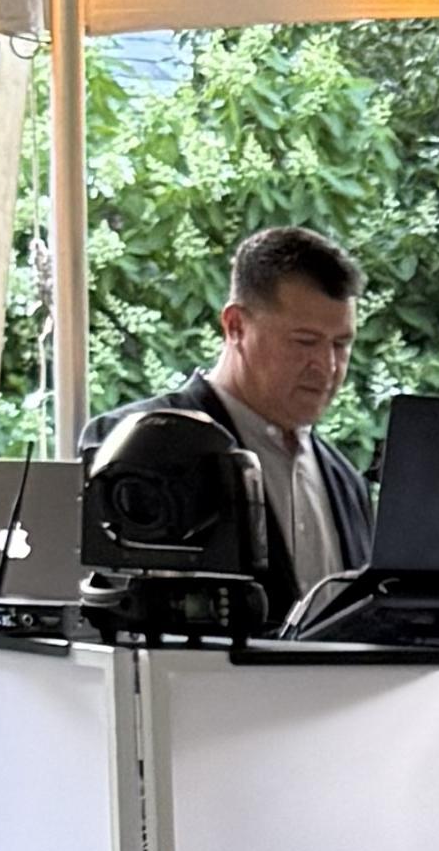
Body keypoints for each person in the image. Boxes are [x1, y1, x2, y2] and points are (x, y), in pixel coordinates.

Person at [81, 224, 376, 629]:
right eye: (305, 341)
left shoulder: (348, 483)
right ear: (235, 326)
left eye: (341, 344)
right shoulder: (131, 447)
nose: (327, 366)